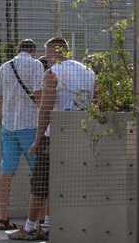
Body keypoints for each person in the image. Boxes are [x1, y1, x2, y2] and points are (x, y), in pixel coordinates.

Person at [10, 37, 95, 241]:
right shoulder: (88, 72)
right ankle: (48, 225)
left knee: (41, 181)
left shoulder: (52, 74)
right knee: (69, 181)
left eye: (47, 55)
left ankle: (29, 228)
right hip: (79, 132)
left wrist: (38, 138)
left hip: (55, 134)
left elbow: (46, 108)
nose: (45, 60)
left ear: (54, 53)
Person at [0, 39, 44, 231]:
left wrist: (3, 120)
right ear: (33, 52)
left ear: (17, 50)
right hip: (30, 126)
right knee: (40, 173)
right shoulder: (36, 64)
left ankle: (2, 217)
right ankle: (43, 220)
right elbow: (39, 94)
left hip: (9, 127)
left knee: (6, 172)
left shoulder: (5, 67)